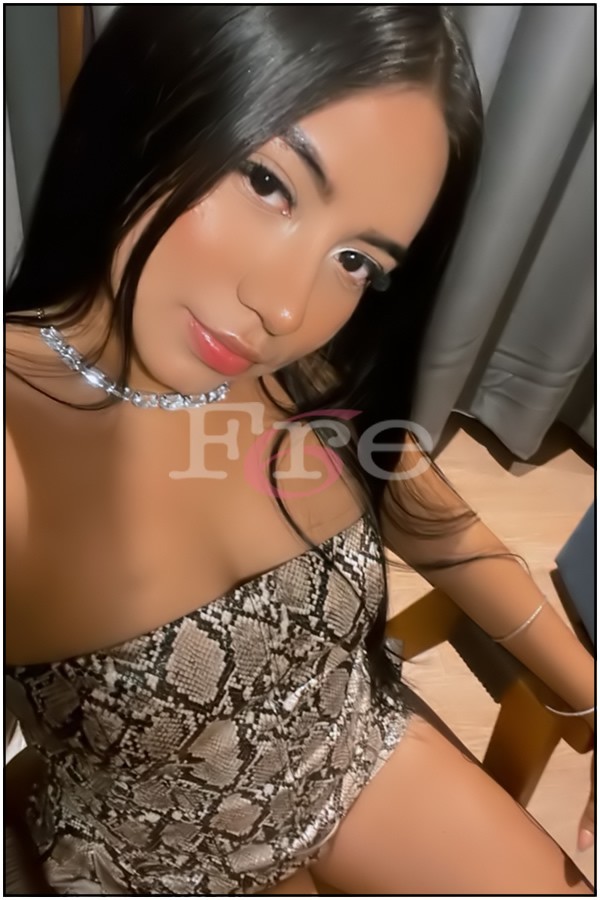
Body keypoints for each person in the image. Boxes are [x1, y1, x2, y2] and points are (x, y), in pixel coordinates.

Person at [5, 5, 594, 896]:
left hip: (353, 758)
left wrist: (591, 693)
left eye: (357, 261)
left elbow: (436, 525)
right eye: (267, 181)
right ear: (150, 100)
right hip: (151, 861)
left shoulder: (307, 377)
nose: (286, 308)